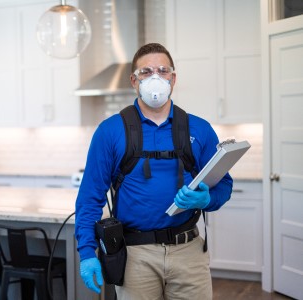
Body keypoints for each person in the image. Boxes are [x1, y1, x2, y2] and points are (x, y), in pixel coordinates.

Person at [75, 43, 233, 300]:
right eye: (146, 72)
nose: (156, 77)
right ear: (134, 81)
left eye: (162, 70)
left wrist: (208, 199)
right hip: (135, 256)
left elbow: (223, 184)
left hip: (189, 253)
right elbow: (89, 197)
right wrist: (86, 252)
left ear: (173, 78)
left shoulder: (200, 129)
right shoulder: (110, 131)